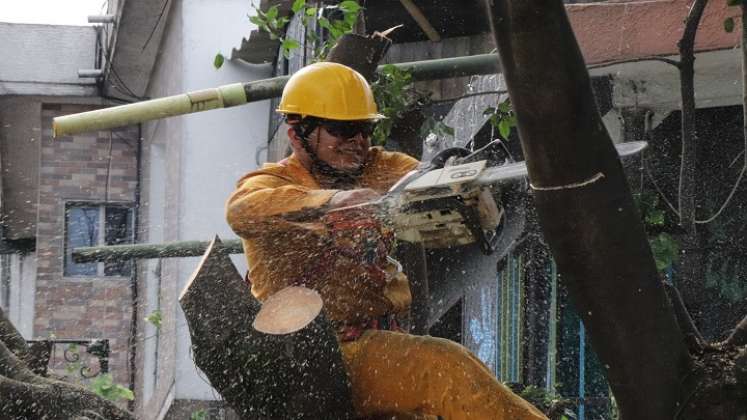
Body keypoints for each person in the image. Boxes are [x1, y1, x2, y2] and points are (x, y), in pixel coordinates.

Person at [226, 61, 547, 420]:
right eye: (341, 130)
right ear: (296, 132)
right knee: (442, 367)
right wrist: (329, 203)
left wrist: (468, 194)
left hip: (382, 343)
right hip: (320, 357)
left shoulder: (380, 168)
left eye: (363, 129)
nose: (357, 142)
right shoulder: (272, 181)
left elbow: (424, 180)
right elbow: (242, 211)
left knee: (458, 380)